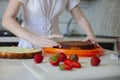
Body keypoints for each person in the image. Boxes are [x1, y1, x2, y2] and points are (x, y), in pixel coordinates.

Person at [2, 0, 96, 49]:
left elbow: (80, 18)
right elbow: (7, 20)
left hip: (56, 46)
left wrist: (90, 34)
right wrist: (34, 39)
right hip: (30, 46)